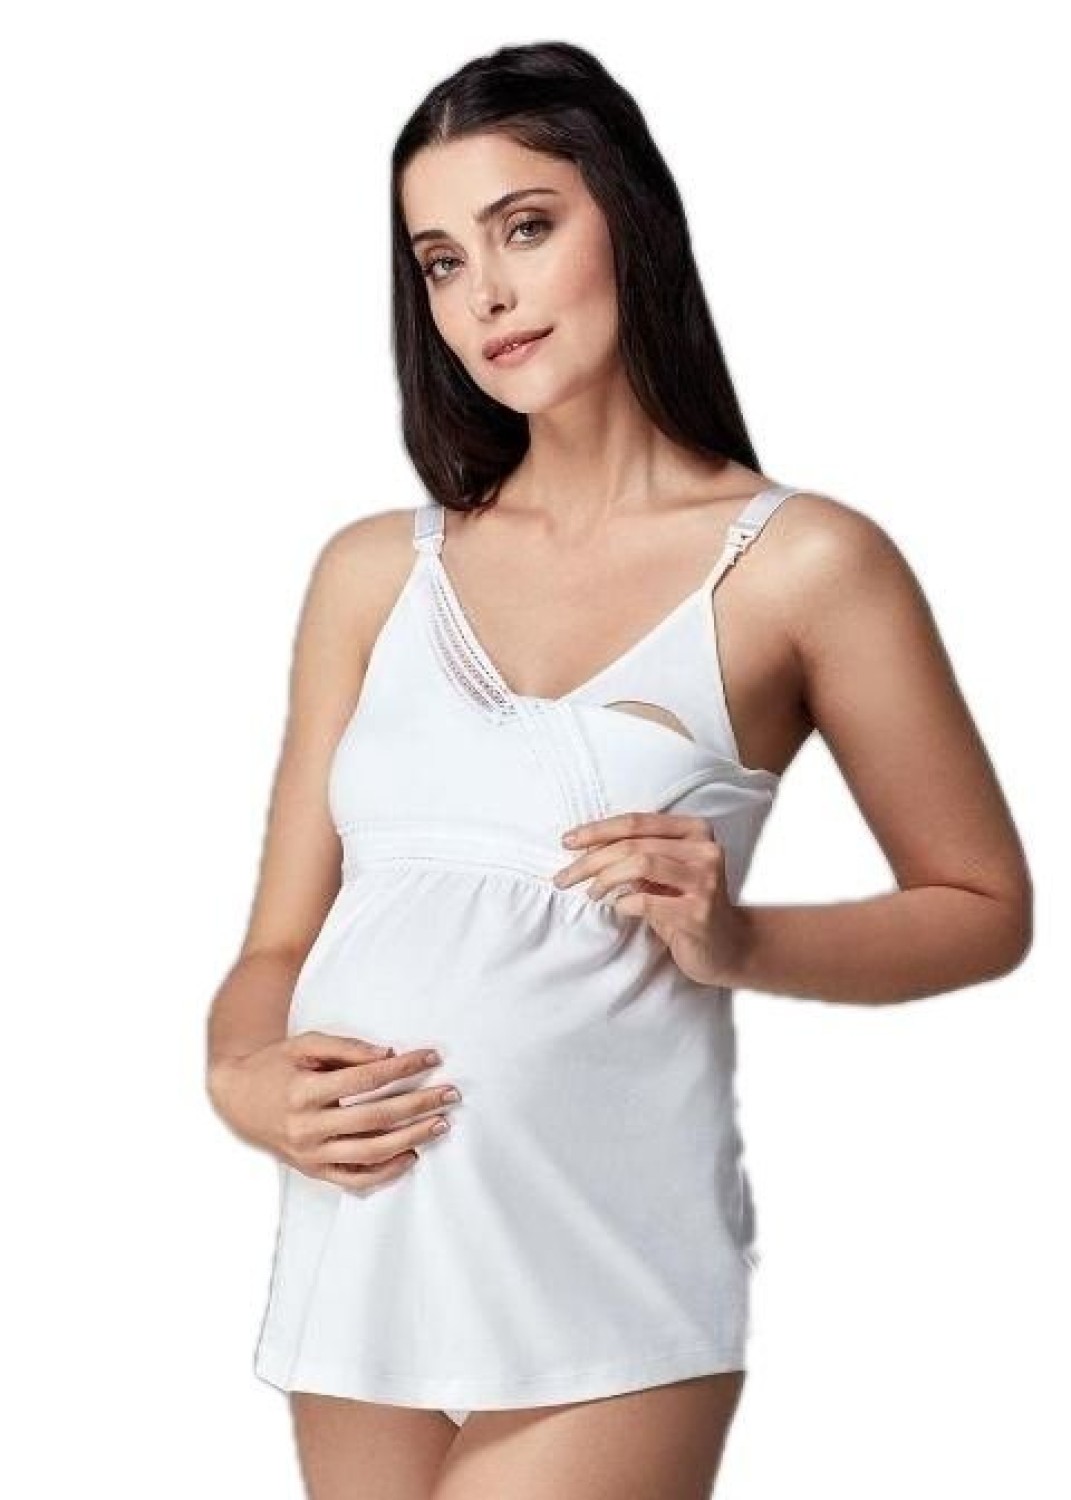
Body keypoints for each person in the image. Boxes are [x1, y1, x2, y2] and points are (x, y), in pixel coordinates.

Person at [204, 40, 1033, 1500]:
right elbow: (277, 944)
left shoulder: (801, 565)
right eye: (441, 261)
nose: (485, 293)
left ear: (630, 219)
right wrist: (243, 1083)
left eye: (525, 226)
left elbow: (982, 905)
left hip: (605, 1267)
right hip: (365, 1245)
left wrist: (743, 942)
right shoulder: (371, 574)